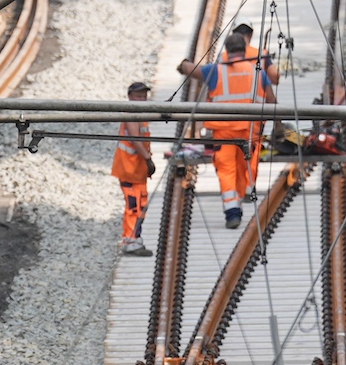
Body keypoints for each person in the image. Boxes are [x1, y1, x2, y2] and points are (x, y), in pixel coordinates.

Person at [181, 27, 277, 227]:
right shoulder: (257, 72)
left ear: (226, 49)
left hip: (223, 132)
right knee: (244, 167)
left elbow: (193, 71)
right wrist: (275, 123)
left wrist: (182, 65)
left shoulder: (216, 70)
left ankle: (232, 210)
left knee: (226, 169)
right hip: (250, 131)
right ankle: (242, 196)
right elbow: (271, 100)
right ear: (245, 48)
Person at [113, 80, 159, 256]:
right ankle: (130, 240)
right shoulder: (132, 112)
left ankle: (134, 238)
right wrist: (147, 158)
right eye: (138, 96)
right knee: (134, 205)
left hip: (136, 170)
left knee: (140, 204)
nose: (142, 99)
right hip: (129, 169)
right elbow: (134, 138)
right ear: (130, 97)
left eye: (144, 96)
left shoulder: (140, 113)